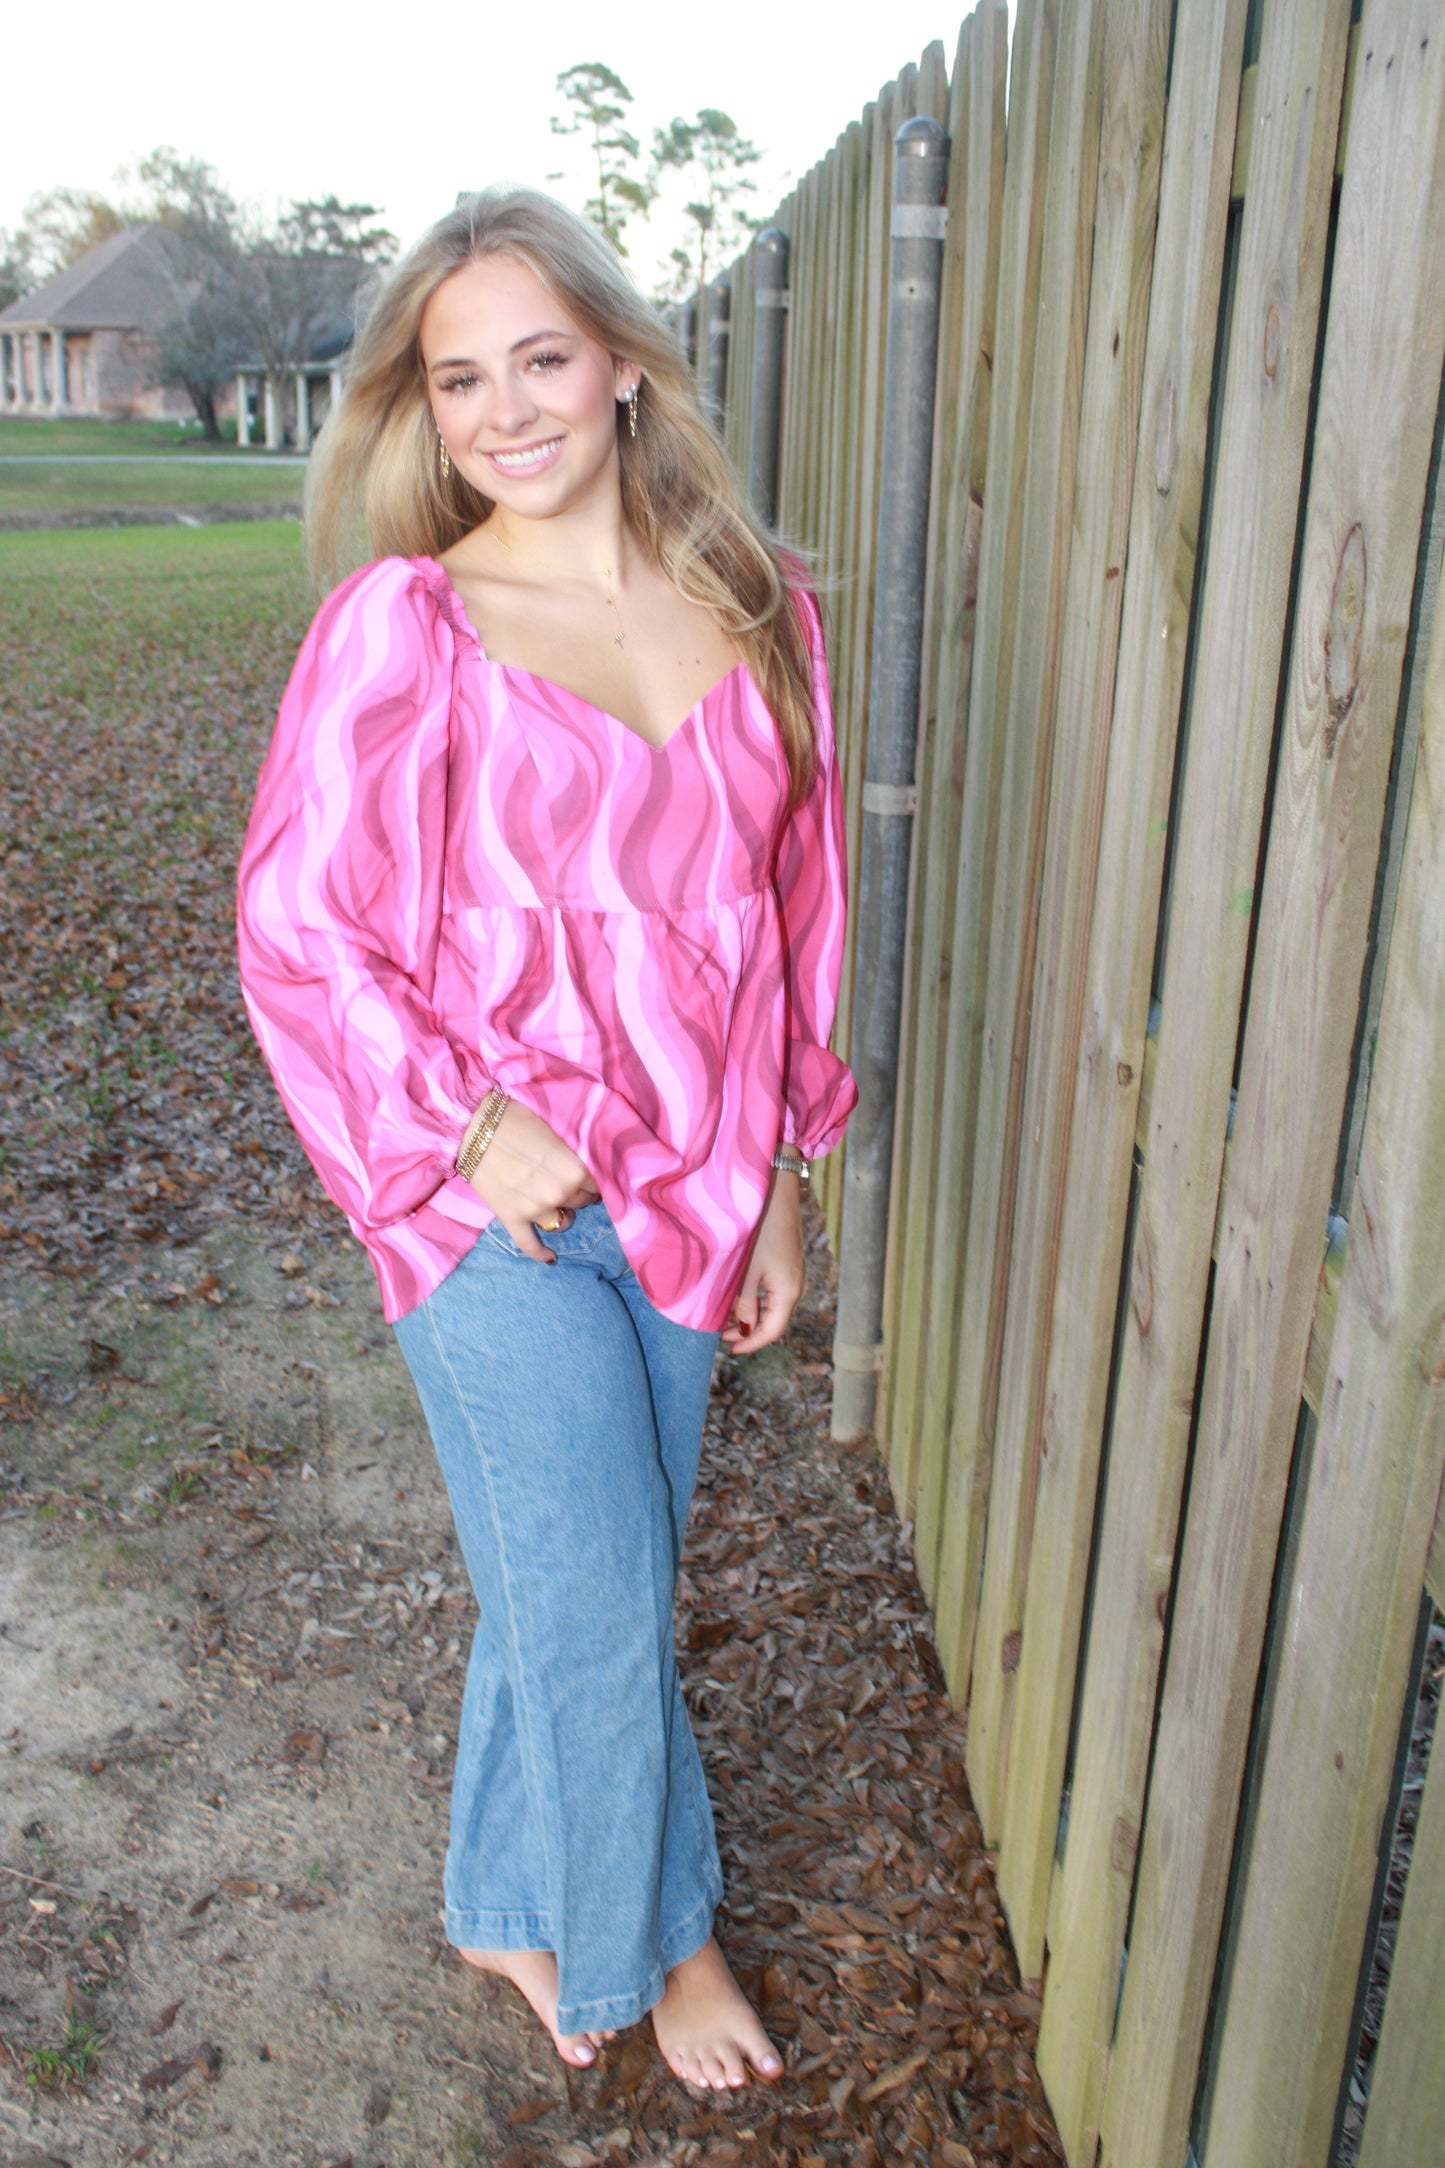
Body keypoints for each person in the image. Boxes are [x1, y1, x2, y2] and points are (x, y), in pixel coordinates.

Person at [234, 185, 857, 2096]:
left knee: (573, 1565)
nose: (505, 407)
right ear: (421, 411)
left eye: (541, 358)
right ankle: (660, 1943)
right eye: (457, 377)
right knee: (595, 1599)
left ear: (621, 366)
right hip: (474, 1204)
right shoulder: (405, 625)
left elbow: (794, 914)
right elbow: (298, 929)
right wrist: (464, 1126)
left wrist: (786, 1176)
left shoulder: (760, 607)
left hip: (687, 1194)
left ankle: (507, 1895)